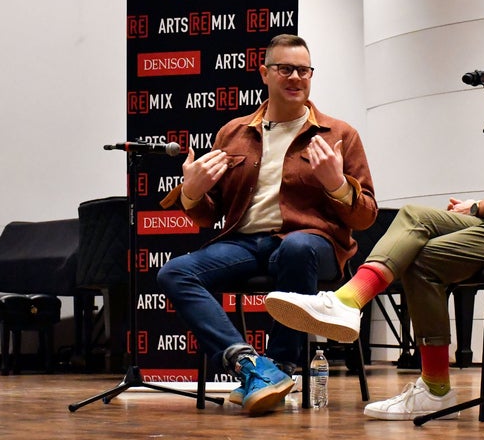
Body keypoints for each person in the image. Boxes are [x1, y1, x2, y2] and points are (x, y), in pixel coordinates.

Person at [264, 0, 484, 420]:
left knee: (424, 261)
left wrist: (479, 209)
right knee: (413, 216)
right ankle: (346, 302)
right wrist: (476, 208)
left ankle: (436, 389)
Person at [156, 34, 377, 415]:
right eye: (285, 69)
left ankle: (282, 365)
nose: (295, 77)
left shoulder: (339, 134)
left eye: (303, 70)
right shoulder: (234, 133)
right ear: (264, 73)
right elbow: (210, 215)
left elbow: (366, 215)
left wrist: (337, 185)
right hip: (245, 244)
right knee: (174, 273)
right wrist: (191, 192)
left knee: (296, 248)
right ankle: (252, 366)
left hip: (314, 243)